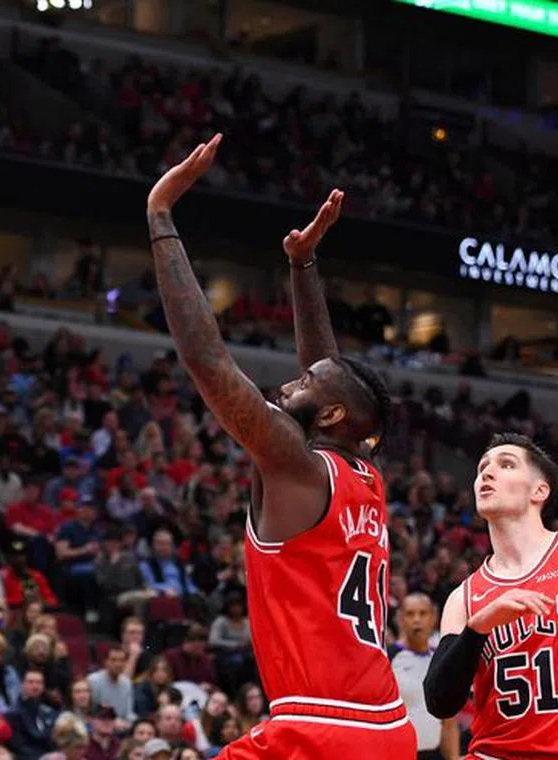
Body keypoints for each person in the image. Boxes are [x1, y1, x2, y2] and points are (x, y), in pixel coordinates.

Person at [145, 137, 414, 758]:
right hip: (384, 726)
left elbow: (207, 360)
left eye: (303, 384)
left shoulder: (296, 465)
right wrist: (303, 266)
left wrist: (161, 218)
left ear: (332, 413)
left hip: (322, 726)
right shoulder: (363, 472)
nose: (289, 380)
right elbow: (329, 373)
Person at [424, 433, 558, 758]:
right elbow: (439, 702)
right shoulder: (464, 598)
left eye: (506, 465)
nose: (486, 474)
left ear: (539, 490)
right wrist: (478, 627)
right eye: (482, 469)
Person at [388, 594, 458, 759]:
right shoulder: (387, 658)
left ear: (433, 617)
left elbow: (449, 722)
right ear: (400, 618)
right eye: (410, 614)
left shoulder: (441, 659)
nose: (417, 620)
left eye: (423, 613)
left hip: (434, 754)